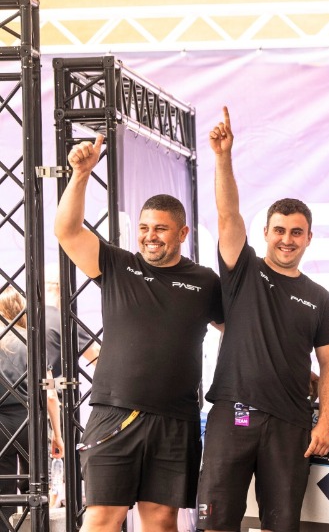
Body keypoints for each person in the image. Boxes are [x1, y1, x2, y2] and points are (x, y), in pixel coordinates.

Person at [53, 134, 222, 532]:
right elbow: (67, 231)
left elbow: (243, 333)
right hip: (115, 413)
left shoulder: (205, 282)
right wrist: (80, 175)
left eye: (161, 229)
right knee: (101, 520)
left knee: (161, 521)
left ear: (182, 234)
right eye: (144, 227)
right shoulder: (118, 265)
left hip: (176, 420)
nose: (150, 236)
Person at [197, 108, 329, 532]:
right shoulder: (244, 271)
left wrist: (325, 423)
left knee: (282, 525)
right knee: (216, 522)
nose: (287, 239)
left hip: (290, 425)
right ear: (265, 233)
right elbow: (228, 216)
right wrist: (223, 157)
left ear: (308, 238)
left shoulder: (319, 297)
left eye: (296, 232)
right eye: (279, 230)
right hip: (233, 414)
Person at [0, 288, 64, 519]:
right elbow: (49, 394)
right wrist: (57, 434)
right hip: (29, 422)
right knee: (36, 490)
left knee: (2, 493)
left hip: (0, 425)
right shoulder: (31, 341)